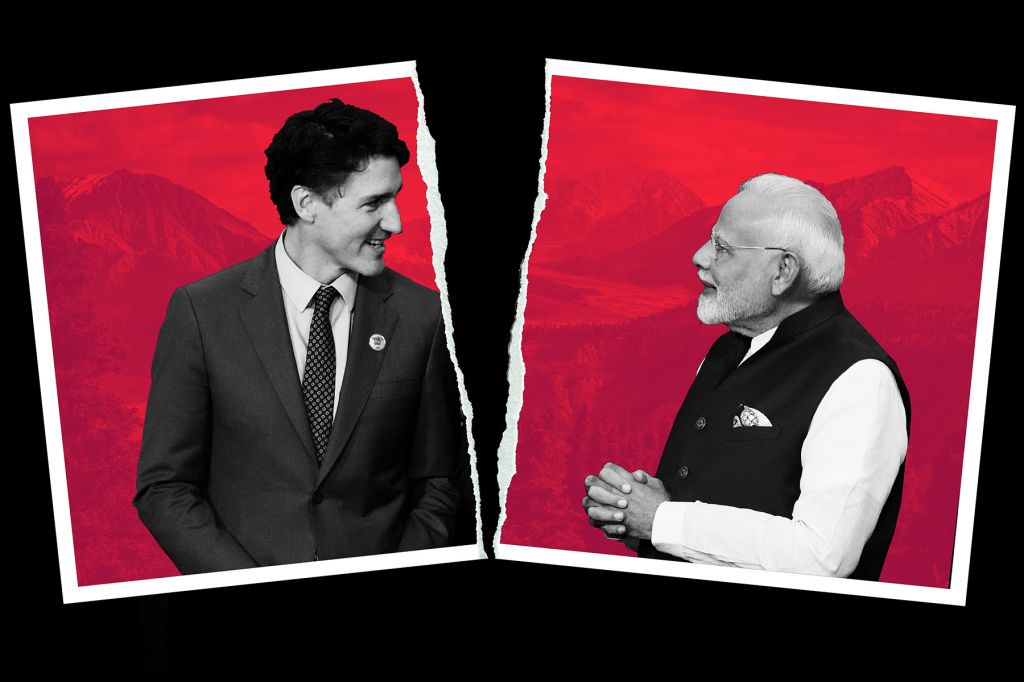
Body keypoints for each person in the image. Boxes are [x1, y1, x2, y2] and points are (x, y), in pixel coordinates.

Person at [134, 98, 470, 574]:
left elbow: (439, 482)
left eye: (395, 198)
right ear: (306, 203)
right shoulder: (201, 312)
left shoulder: (424, 317)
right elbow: (164, 487)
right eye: (374, 203)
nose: (395, 222)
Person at [582, 173, 910, 580]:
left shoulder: (861, 379)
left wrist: (660, 520)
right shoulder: (728, 348)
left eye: (722, 247)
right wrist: (635, 513)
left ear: (782, 271)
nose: (699, 256)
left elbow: (822, 559)